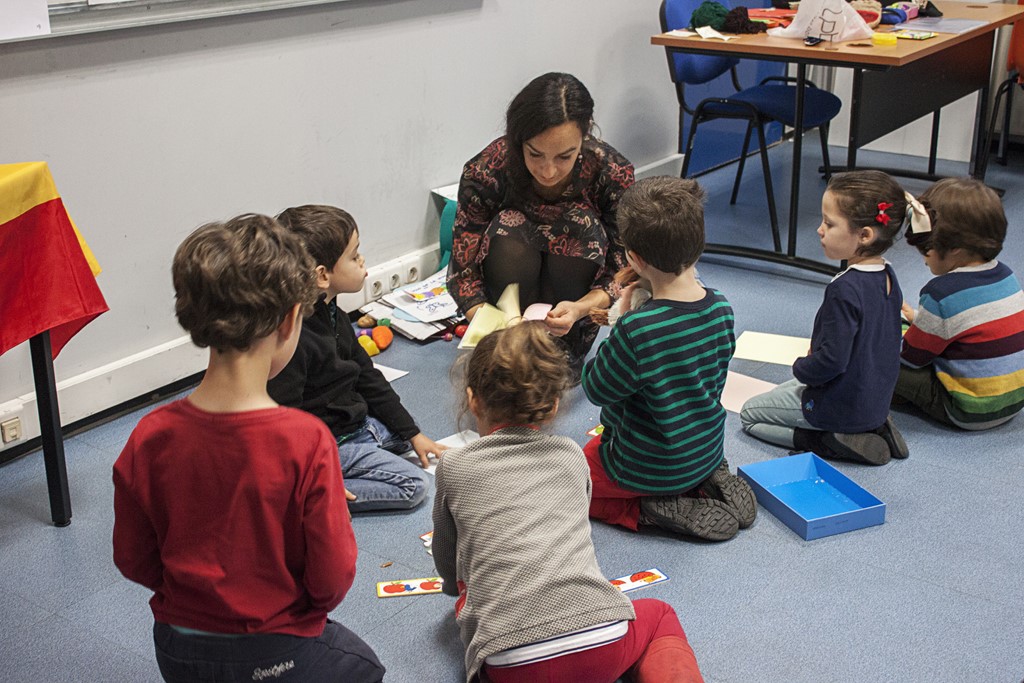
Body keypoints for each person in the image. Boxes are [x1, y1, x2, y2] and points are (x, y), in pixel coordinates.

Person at [113, 215, 384, 682]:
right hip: (274, 649)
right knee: (366, 667)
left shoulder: (148, 434)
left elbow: (133, 558)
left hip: (178, 648)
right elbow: (332, 578)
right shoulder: (306, 440)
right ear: (289, 320)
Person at [433, 322, 704, 683]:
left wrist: (457, 589)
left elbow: (446, 554)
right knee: (660, 615)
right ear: (554, 405)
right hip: (602, 642)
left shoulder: (454, 466)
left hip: (508, 663)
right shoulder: (570, 455)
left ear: (472, 400)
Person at [581, 176, 754, 542]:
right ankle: (707, 479)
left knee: (571, 482)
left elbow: (597, 387)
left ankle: (646, 510)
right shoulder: (722, 306)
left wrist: (622, 321)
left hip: (646, 467)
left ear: (635, 260)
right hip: (705, 448)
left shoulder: (639, 329)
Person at [446, 72, 634, 375]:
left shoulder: (612, 172)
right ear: (519, 140)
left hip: (572, 318)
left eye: (564, 156)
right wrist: (491, 322)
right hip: (505, 321)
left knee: (583, 226)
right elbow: (462, 272)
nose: (548, 171)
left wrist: (580, 309)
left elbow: (619, 271)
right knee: (509, 226)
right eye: (535, 154)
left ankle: (563, 354)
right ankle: (509, 349)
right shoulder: (486, 170)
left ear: (585, 136)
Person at [267, 205, 445, 512]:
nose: (362, 260)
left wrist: (413, 433)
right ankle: (314, 496)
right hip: (327, 445)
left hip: (353, 424)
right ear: (323, 275)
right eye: (353, 255)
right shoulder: (294, 339)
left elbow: (366, 374)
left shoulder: (332, 310)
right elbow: (286, 423)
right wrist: (312, 479)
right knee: (413, 486)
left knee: (404, 434)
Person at [741, 170, 910, 465]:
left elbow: (831, 362)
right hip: (874, 399)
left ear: (865, 235)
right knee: (784, 390)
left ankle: (826, 440)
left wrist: (801, 367)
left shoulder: (844, 289)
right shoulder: (888, 275)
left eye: (829, 224)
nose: (820, 230)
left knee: (750, 415)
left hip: (840, 404)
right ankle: (874, 425)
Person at [896, 178, 1024, 429]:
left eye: (927, 250)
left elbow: (911, 358)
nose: (924, 260)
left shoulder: (941, 293)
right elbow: (972, 323)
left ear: (955, 249)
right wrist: (917, 319)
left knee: (871, 359)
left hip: (966, 410)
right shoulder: (1007, 275)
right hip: (1012, 403)